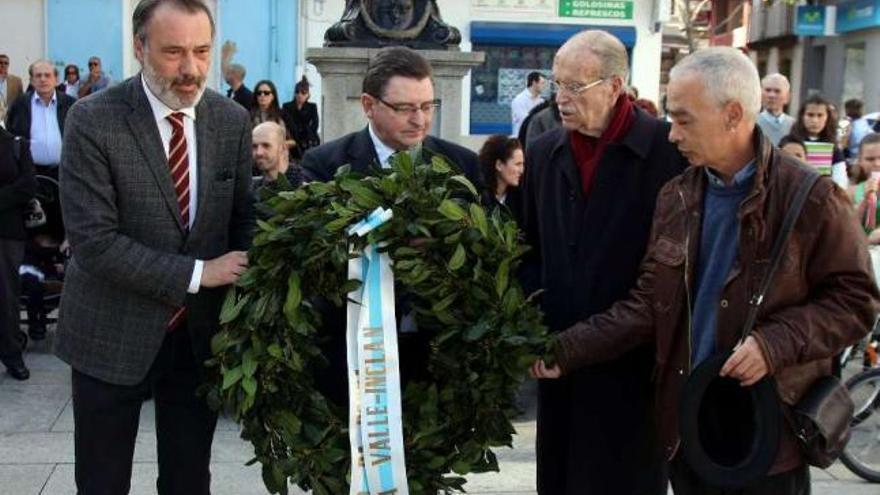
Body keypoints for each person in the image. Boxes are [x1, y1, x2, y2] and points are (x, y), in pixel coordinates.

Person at [531, 46, 879, 495]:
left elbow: (856, 302)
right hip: (688, 426)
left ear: (733, 114)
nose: (672, 135)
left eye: (684, 120)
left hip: (767, 432)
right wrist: (567, 350)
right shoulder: (678, 196)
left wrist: (773, 344)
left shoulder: (809, 197)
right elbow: (648, 304)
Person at [55, 1, 254, 493]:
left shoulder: (230, 120)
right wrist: (198, 273)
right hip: (109, 332)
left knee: (189, 480)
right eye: (173, 52)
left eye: (201, 51)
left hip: (198, 337)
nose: (190, 69)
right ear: (140, 48)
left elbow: (243, 216)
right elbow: (94, 243)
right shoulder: (92, 120)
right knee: (102, 482)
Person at [519, 30, 688, 495]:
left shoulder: (668, 152)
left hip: (633, 370)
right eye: (557, 84)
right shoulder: (544, 151)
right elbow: (526, 246)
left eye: (576, 87)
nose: (562, 99)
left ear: (616, 87)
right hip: (558, 366)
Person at [301, 45, 481, 408]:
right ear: (369, 105)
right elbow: (314, 255)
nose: (420, 119)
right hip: (351, 354)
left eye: (428, 106)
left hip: (435, 356)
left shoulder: (463, 166)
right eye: (405, 108)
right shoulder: (325, 165)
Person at [0, 125, 38, 380]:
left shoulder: (16, 144)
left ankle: (12, 355)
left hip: (6, 231)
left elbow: (28, 185)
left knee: (6, 297)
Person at [5, 60, 76, 179]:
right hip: (30, 173)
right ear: (32, 80)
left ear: (56, 79)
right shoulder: (20, 104)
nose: (43, 79)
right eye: (38, 76)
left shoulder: (71, 104)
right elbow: (11, 135)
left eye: (47, 75)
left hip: (64, 173)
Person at [790, 93, 846, 164]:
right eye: (810, 115)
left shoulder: (833, 145)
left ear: (827, 118)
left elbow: (840, 171)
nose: (815, 120)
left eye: (820, 115)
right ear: (802, 116)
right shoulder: (790, 141)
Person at [477, 134, 523, 213]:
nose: (521, 170)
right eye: (517, 164)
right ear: (499, 165)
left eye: (523, 164)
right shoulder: (478, 197)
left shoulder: (520, 199)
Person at [252, 121, 302, 189]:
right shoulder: (252, 190)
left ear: (283, 148)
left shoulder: (304, 186)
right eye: (254, 146)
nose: (259, 152)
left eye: (266, 145)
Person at [281, 76, 320, 160]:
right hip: (292, 139)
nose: (299, 95)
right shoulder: (287, 106)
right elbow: (285, 124)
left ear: (308, 95)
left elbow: (315, 125)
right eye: (297, 92)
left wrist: (306, 134)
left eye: (303, 93)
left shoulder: (312, 107)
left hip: (308, 140)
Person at [756, 73, 795, 146]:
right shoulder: (751, 123)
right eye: (767, 90)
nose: (771, 95)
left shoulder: (794, 126)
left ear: (787, 97)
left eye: (777, 91)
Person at [853, 134, 880, 241]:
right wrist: (865, 200)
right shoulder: (852, 191)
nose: (877, 164)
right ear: (860, 161)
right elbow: (849, 226)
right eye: (870, 159)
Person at [510, 71, 546, 136]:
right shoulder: (519, 100)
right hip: (521, 140)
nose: (544, 86)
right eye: (542, 83)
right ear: (534, 83)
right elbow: (525, 121)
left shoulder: (541, 101)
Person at [0, 54, 24, 122]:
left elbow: (21, 101)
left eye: (6, 63)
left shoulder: (16, 81)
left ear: (8, 65)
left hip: (10, 119)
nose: (3, 65)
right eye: (0, 62)